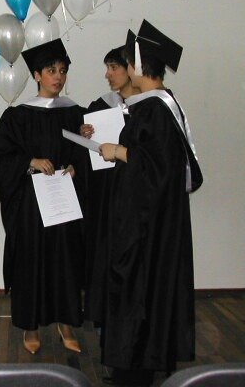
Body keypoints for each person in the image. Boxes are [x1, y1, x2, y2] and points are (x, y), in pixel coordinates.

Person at [98, 20, 203, 386]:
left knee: (139, 292)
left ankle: (135, 365)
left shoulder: (157, 109)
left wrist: (119, 151)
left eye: (128, 63)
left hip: (145, 228)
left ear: (139, 66)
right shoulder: (153, 106)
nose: (126, 70)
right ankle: (134, 363)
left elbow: (160, 168)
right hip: (148, 221)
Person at [0, 38, 86, 355]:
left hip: (64, 201)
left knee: (66, 262)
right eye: (51, 71)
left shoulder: (75, 114)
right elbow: (4, 160)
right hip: (31, 206)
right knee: (30, 263)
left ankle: (66, 322)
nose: (58, 77)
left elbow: (85, 153)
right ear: (36, 75)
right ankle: (30, 327)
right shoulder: (17, 117)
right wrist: (30, 161)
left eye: (62, 70)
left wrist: (75, 166)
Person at [83, 46, 139, 326]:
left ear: (130, 69)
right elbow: (89, 155)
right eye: (107, 68)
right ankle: (105, 318)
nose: (108, 74)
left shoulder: (146, 107)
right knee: (106, 253)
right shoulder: (101, 106)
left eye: (113, 67)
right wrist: (85, 134)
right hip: (107, 195)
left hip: (135, 198)